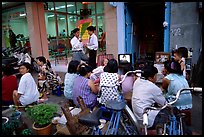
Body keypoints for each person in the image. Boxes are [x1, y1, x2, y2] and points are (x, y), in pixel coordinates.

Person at [132, 65, 168, 133]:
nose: (156, 78)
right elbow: (164, 103)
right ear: (150, 78)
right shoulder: (153, 87)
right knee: (168, 111)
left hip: (138, 117)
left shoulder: (137, 81)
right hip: (148, 119)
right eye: (156, 76)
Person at [162, 60, 192, 126]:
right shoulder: (182, 77)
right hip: (188, 101)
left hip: (177, 102)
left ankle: (167, 121)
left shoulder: (166, 78)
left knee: (161, 98)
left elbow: (164, 89)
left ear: (167, 69)